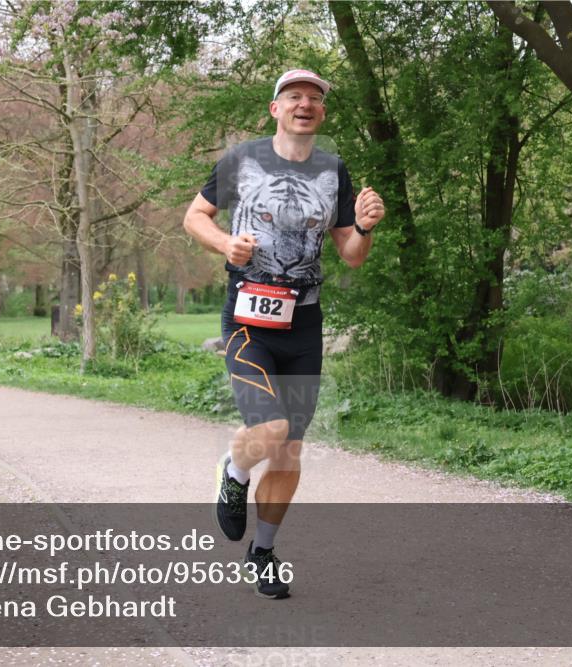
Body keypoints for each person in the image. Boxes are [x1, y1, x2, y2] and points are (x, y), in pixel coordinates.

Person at [182, 69, 385, 598]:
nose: (305, 104)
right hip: (248, 318)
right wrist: (225, 244)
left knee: (289, 449)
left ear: (321, 113)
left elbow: (351, 256)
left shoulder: (333, 169)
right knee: (268, 430)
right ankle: (234, 468)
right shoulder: (242, 159)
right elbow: (194, 217)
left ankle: (263, 551)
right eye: (294, 96)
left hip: (304, 322)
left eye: (314, 99)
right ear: (275, 108)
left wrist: (363, 227)